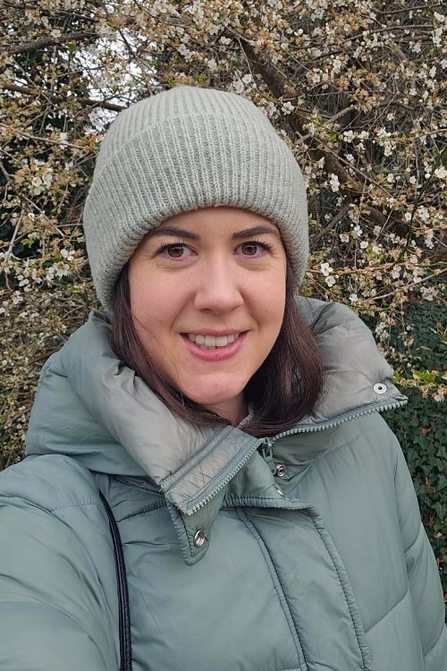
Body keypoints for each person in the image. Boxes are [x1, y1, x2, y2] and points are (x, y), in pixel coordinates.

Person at [0, 86, 445, 671]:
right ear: (123, 280)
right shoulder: (49, 520)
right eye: (175, 250)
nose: (218, 295)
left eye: (253, 247)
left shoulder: (363, 444)